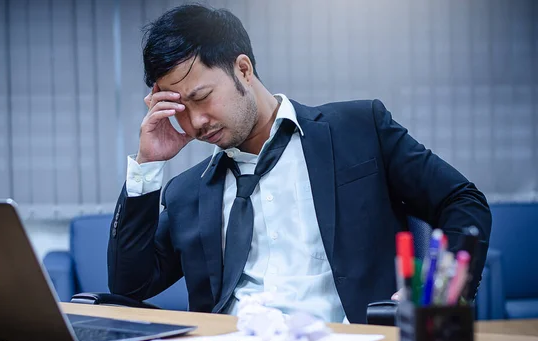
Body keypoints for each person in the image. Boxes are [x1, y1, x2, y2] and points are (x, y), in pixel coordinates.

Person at [107, 4, 491, 324]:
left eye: (202, 97)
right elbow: (130, 287)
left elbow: (462, 202)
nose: (195, 122)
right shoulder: (188, 191)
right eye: (181, 109)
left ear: (243, 69)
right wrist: (147, 164)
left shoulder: (359, 130)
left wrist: (439, 293)